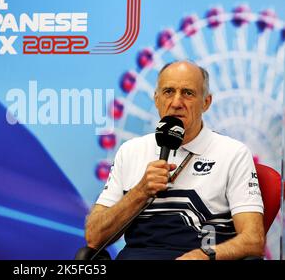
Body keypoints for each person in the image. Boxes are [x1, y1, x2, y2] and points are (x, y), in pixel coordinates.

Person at [85, 60, 265, 260]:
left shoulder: (233, 153)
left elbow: (253, 240)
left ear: (206, 102)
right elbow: (94, 237)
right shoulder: (130, 151)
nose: (177, 103)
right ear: (156, 99)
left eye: (188, 93)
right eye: (168, 91)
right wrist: (140, 191)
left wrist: (204, 255)